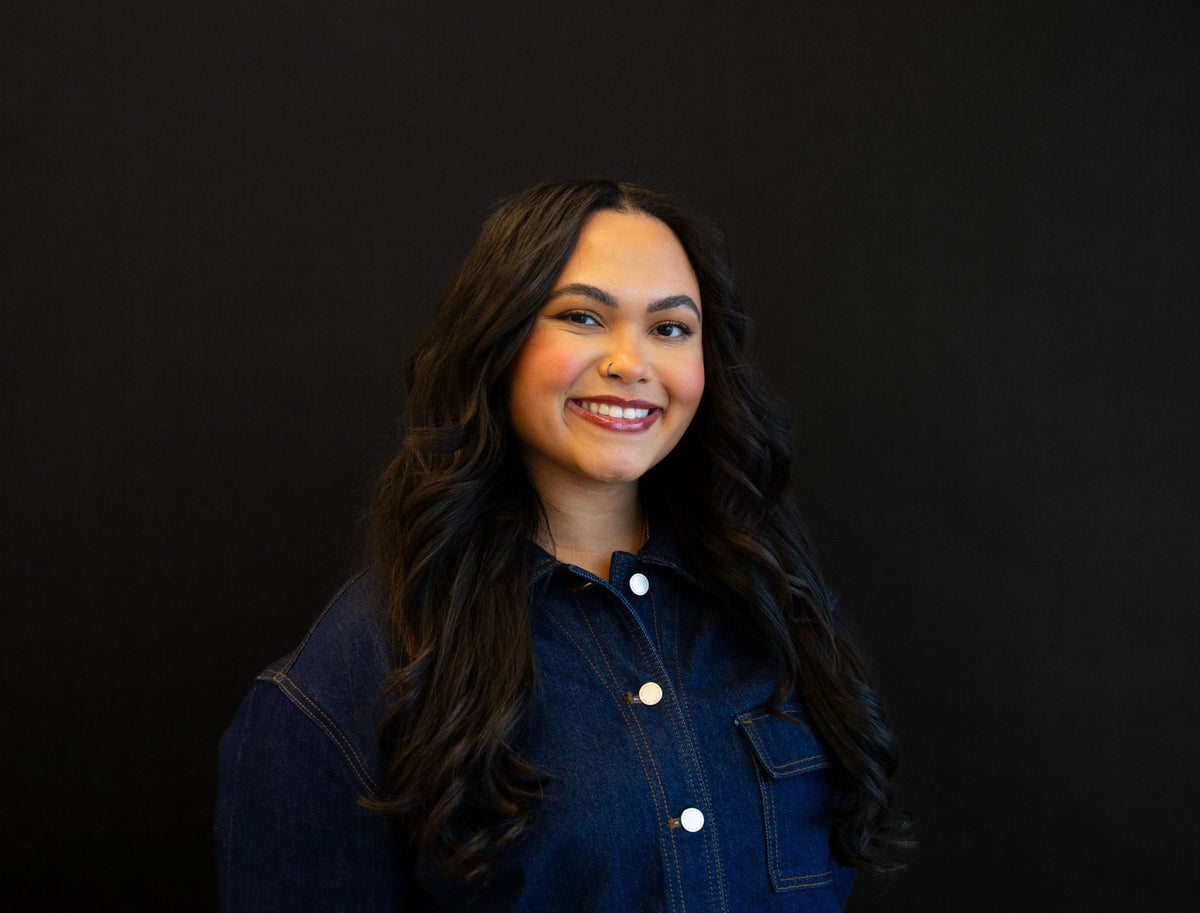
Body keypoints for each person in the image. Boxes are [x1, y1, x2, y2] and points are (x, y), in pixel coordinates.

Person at [217, 179, 909, 911]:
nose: (630, 363)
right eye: (582, 316)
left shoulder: (777, 607)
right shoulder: (349, 679)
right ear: (498, 338)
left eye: (670, 328)